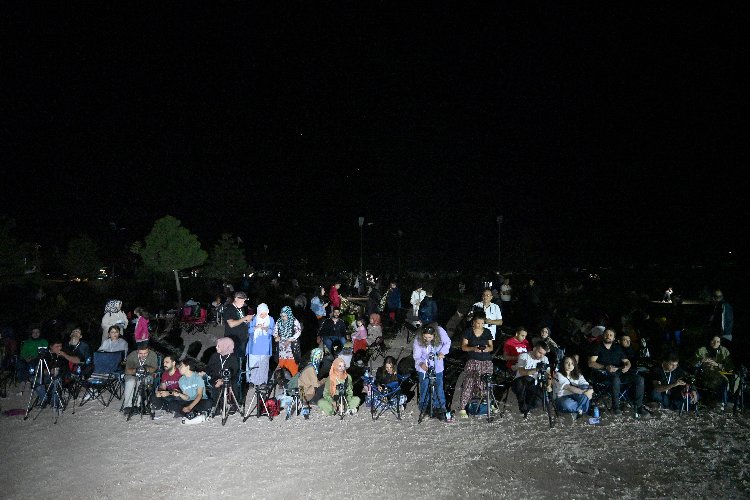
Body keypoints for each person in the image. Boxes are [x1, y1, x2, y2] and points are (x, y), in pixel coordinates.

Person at [588, 328, 645, 416]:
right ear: (603, 335)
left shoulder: (617, 348)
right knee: (615, 379)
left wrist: (627, 366)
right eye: (606, 334)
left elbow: (626, 361)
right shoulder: (597, 346)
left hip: (618, 373)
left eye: (611, 335)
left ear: (614, 338)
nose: (608, 336)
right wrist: (605, 367)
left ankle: (638, 406)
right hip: (602, 374)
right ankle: (616, 407)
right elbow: (591, 363)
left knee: (639, 379)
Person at [458, 312, 493, 418]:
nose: (480, 325)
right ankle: (463, 407)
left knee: (485, 383)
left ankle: (485, 405)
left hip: (486, 360)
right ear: (474, 323)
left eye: (482, 323)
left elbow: (491, 347)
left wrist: (486, 348)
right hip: (473, 360)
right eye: (478, 323)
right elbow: (463, 347)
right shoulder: (468, 332)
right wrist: (473, 348)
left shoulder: (487, 332)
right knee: (469, 382)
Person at [413, 324, 451, 419]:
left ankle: (440, 407)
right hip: (424, 367)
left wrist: (442, 352)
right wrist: (421, 363)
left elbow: (447, 343)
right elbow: (416, 356)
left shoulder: (441, 332)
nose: (427, 339)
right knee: (425, 386)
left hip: (437, 365)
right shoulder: (418, 339)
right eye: (425, 337)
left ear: (434, 335)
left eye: (430, 337)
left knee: (438, 386)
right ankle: (424, 407)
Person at [691, 335, 734, 409]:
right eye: (713, 341)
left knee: (724, 381)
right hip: (703, 373)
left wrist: (717, 364)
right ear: (710, 341)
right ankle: (701, 400)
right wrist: (701, 361)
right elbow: (692, 363)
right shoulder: (702, 350)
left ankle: (722, 402)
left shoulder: (724, 351)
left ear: (720, 343)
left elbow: (730, 367)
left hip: (719, 373)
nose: (715, 343)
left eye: (718, 342)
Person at [512, 341, 551, 416]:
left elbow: (548, 374)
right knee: (525, 379)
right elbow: (521, 372)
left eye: (543, 354)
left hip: (534, 384)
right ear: (534, 349)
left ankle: (527, 406)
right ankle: (522, 405)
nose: (541, 356)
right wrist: (536, 369)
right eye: (540, 352)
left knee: (539, 402)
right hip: (520, 382)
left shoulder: (545, 359)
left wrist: (548, 385)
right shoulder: (524, 356)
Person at [169, 358, 212, 424]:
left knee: (208, 403)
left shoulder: (197, 377)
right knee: (172, 403)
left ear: (188, 366)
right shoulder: (181, 380)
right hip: (188, 401)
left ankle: (187, 414)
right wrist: (179, 394)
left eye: (181, 366)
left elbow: (199, 395)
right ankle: (194, 414)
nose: (179, 368)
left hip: (200, 400)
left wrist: (190, 407)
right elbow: (187, 397)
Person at [122, 342, 159, 414]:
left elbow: (154, 368)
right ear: (137, 351)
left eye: (145, 353)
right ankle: (128, 406)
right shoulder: (132, 355)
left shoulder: (152, 354)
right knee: (130, 382)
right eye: (141, 353)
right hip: (133, 375)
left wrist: (146, 369)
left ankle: (138, 405)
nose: (143, 355)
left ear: (148, 350)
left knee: (141, 382)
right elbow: (127, 370)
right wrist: (136, 370)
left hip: (146, 374)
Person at [206, 337, 240, 412]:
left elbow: (234, 371)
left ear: (225, 347)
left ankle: (233, 404)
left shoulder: (232, 358)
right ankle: (217, 405)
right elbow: (209, 367)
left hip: (230, 377)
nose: (216, 347)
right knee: (215, 384)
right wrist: (205, 372)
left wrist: (223, 380)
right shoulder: (215, 356)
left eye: (218, 346)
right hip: (216, 376)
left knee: (233, 384)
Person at [246, 303, 275, 387]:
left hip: (265, 346)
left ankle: (263, 381)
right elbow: (248, 330)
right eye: (261, 314)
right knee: (253, 364)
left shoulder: (270, 319)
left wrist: (266, 329)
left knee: (264, 365)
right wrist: (255, 328)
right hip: (254, 346)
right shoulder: (254, 318)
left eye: (265, 314)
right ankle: (252, 381)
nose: (263, 316)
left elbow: (274, 332)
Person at [223, 291, 255, 356]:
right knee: (233, 358)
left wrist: (248, 321)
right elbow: (231, 324)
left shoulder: (241, 309)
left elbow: (240, 321)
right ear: (236, 299)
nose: (243, 303)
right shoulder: (229, 309)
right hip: (233, 339)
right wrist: (245, 318)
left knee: (240, 357)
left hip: (242, 338)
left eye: (244, 301)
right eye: (242, 301)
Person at [273, 306, 302, 376]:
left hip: (291, 346)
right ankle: (278, 381)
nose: (283, 318)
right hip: (281, 347)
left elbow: (298, 332)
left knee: (292, 364)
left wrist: (290, 339)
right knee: (281, 364)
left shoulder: (294, 321)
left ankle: (295, 381)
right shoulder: (279, 321)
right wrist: (276, 336)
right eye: (282, 316)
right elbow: (275, 331)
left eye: (285, 316)